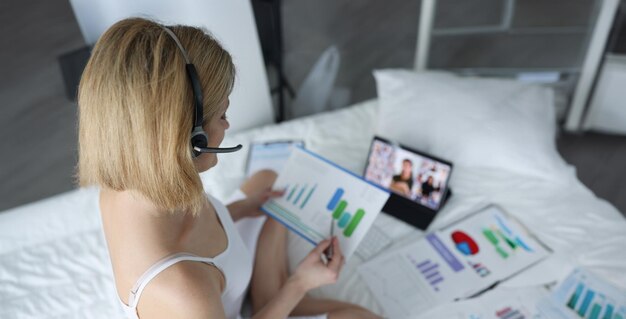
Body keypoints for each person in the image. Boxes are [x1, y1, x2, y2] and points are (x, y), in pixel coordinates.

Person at [77, 18, 379, 319]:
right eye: (222, 114)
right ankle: (272, 299)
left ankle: (265, 293)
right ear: (192, 140)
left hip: (222, 279)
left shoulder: (140, 172)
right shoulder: (182, 291)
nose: (227, 124)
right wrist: (299, 284)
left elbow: (196, 233)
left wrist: (240, 209)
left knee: (269, 183)